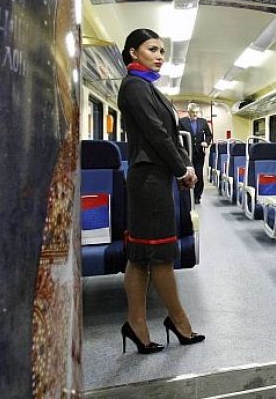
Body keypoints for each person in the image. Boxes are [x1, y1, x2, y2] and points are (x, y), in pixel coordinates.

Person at [117, 28, 205, 354]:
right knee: (160, 256)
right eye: (152, 49)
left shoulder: (148, 87)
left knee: (141, 257)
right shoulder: (134, 86)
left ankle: (136, 324)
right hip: (149, 182)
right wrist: (181, 169)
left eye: (162, 51)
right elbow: (156, 134)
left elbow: (172, 134)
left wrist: (186, 165)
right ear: (133, 52)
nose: (159, 56)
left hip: (155, 178)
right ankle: (178, 321)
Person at [178, 102, 213, 204]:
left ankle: (197, 196)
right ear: (188, 112)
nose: (195, 114)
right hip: (186, 153)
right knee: (187, 174)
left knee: (199, 175)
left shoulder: (203, 122)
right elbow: (177, 135)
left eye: (197, 112)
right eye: (193, 112)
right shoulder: (182, 122)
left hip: (199, 153)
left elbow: (209, 135)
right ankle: (187, 196)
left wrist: (206, 142)